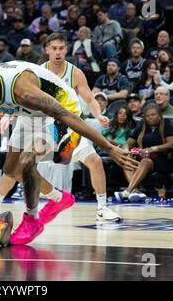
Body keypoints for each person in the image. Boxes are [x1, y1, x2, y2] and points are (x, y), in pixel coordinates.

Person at [0, 60, 138, 245]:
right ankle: (60, 199)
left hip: (61, 112)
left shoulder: (23, 90)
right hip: (29, 114)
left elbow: (65, 115)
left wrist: (109, 147)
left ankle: (31, 219)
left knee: (27, 159)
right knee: (11, 170)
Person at [42, 33, 120, 221]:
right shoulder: (38, 72)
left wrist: (98, 114)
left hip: (71, 129)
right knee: (20, 163)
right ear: (47, 50)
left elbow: (89, 98)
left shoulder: (75, 73)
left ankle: (102, 207)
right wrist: (8, 117)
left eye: (61, 48)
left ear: (66, 49)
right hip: (46, 128)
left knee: (95, 161)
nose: (58, 52)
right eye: (54, 48)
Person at [114, 103, 173, 202]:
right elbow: (128, 143)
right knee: (127, 159)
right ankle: (135, 191)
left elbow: (171, 144)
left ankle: (128, 191)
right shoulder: (142, 126)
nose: (150, 118)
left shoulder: (166, 125)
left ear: (159, 115)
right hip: (143, 156)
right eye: (147, 116)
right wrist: (126, 151)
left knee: (145, 161)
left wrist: (153, 149)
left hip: (161, 159)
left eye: (153, 115)